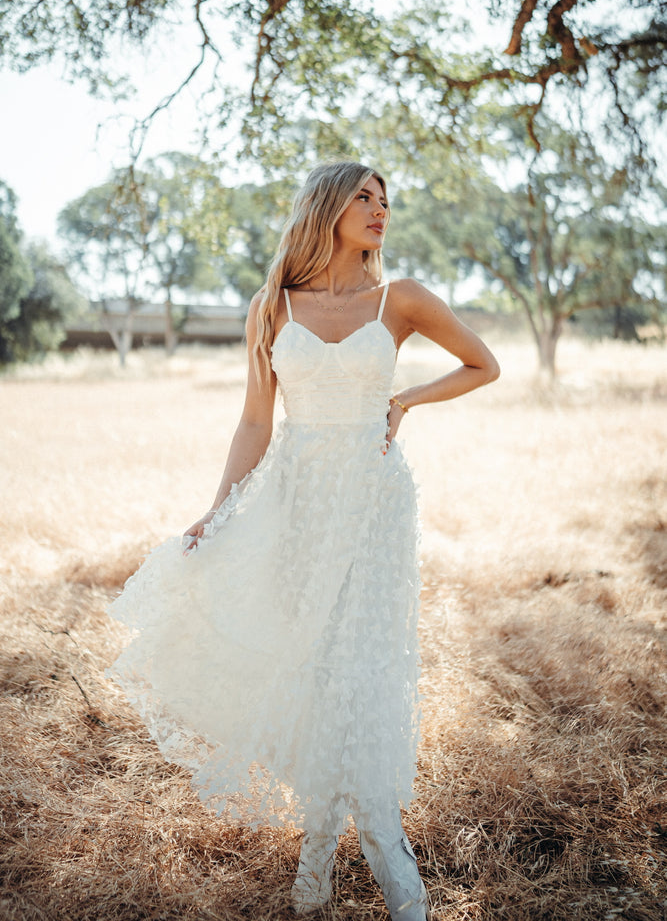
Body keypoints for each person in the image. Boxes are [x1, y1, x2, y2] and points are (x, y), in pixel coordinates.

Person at [107, 160, 499, 920]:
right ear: (326, 205)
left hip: (374, 503)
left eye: (386, 200)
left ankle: (389, 856)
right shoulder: (272, 307)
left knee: (363, 669)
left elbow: (482, 364)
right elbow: (256, 421)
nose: (380, 210)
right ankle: (317, 852)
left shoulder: (402, 298)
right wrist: (215, 513)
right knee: (314, 668)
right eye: (364, 196)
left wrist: (405, 401)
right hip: (294, 500)